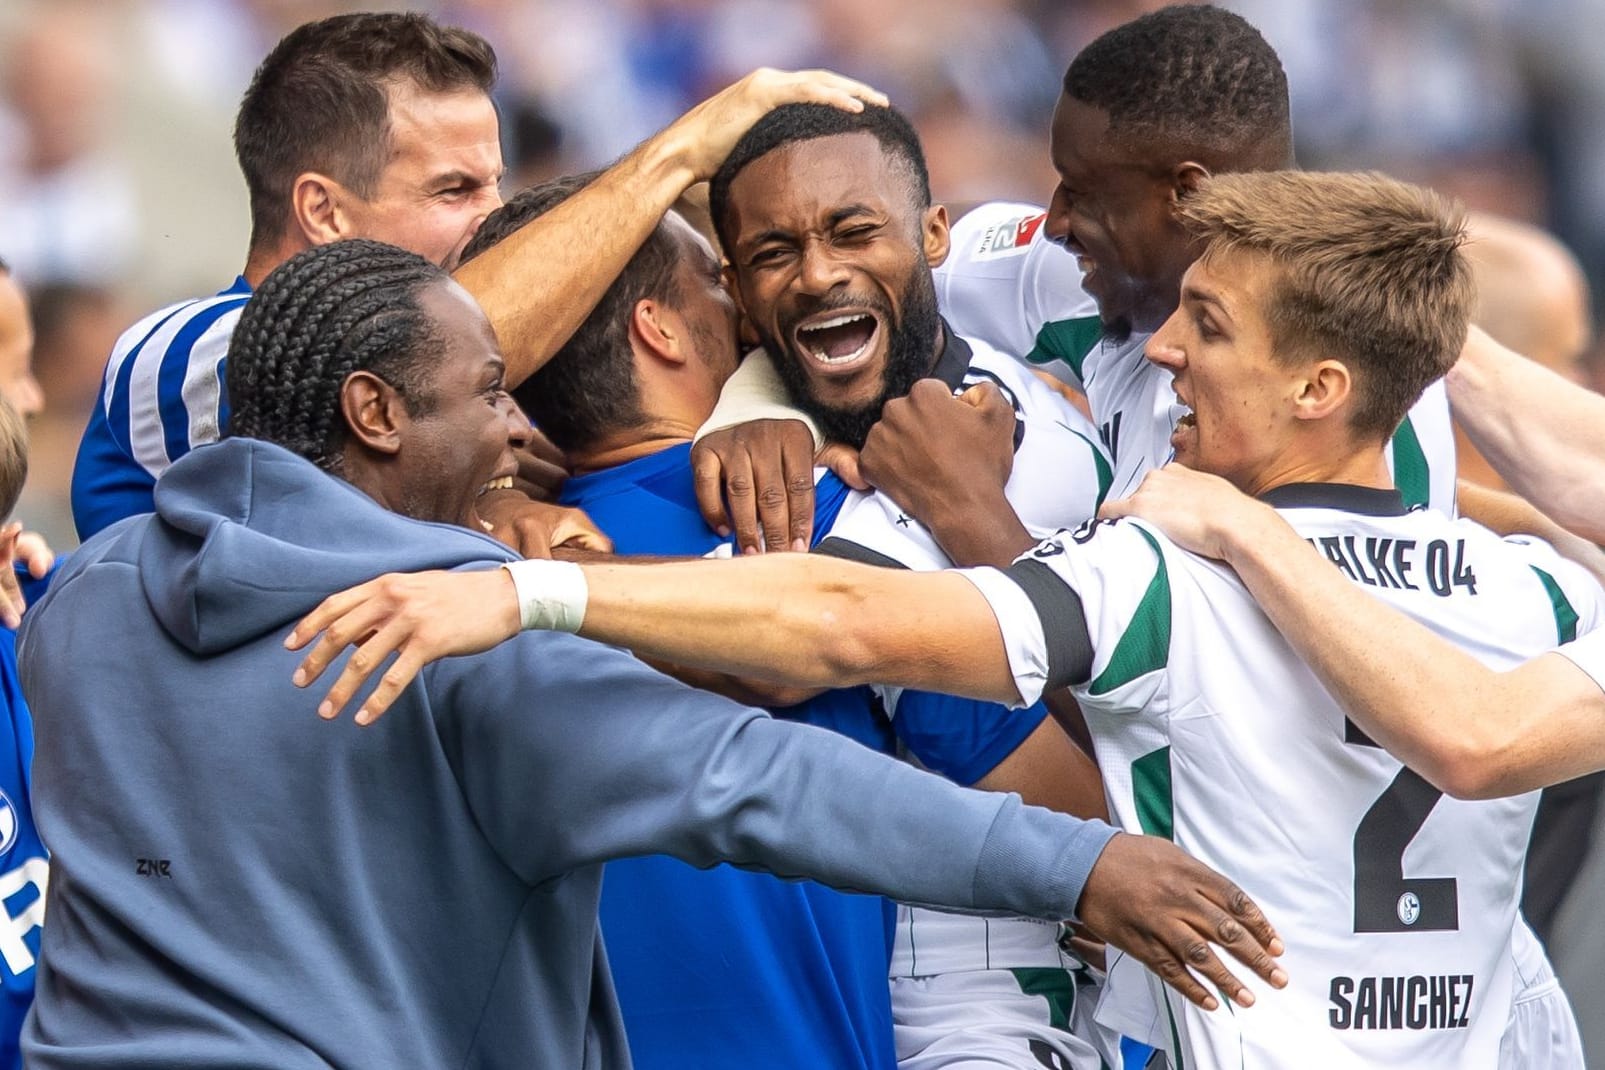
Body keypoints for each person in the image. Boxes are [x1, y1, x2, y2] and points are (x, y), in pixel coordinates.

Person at [293, 171, 1591, 1069]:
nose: (1168, 353)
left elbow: (846, 618)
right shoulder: (1550, 591)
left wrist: (535, 589)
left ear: (1317, 382)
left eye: (1207, 324)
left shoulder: (1163, 578)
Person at [18, 239, 1283, 1068]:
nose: (520, 431)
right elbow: (759, 780)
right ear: (374, 412)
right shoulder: (467, 629)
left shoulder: (72, 598)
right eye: (489, 390)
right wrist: (1082, 864)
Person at [69, 10, 884, 545]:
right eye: (453, 190)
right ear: (322, 211)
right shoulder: (172, 351)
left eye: (495, 180)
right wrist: (672, 156)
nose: (493, 214)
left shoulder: (501, 359)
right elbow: (400, 365)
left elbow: (714, 333)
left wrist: (762, 410)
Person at [689, 3, 1456, 558]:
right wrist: (762, 405)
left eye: (1080, 190)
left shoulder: (1358, 429)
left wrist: (966, 513)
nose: (1052, 220)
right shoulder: (1077, 269)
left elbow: (1162, 723)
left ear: (1185, 194)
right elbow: (833, 281)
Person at [703, 101, 1116, 1069]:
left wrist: (535, 579)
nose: (818, 273)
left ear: (933, 233)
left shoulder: (1010, 435)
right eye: (773, 252)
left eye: (855, 231)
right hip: (830, 990)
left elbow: (782, 651)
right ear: (733, 289)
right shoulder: (761, 419)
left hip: (1006, 988)